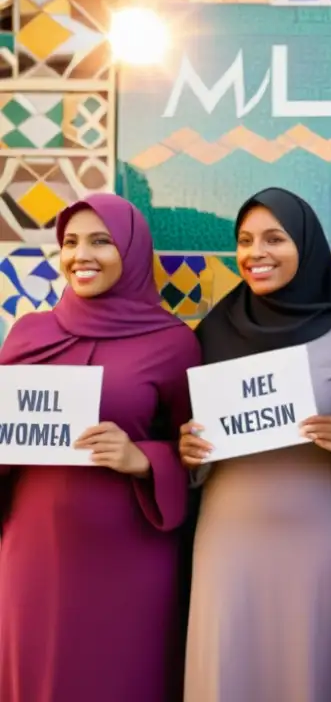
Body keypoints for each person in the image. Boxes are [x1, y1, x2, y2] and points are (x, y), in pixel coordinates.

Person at [178, 187, 331, 702]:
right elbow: (193, 440)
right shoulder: (209, 334)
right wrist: (189, 453)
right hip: (231, 537)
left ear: (306, 246)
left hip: (327, 538)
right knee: (231, 671)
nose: (256, 253)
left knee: (320, 671)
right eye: (245, 240)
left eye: (274, 238)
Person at [0, 195, 199, 702]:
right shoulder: (27, 334)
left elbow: (200, 454)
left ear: (131, 252)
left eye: (100, 241)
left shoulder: (173, 342)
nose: (80, 255)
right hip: (35, 551)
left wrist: (143, 459)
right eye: (70, 242)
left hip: (131, 554)